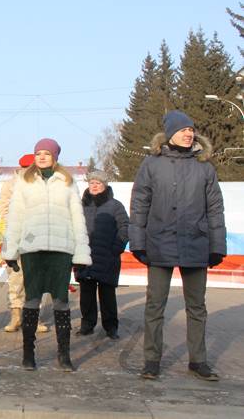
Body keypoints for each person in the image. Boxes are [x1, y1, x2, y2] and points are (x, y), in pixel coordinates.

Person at [130, 111, 226, 382]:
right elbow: (139, 204)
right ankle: (151, 361)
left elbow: (215, 208)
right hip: (159, 243)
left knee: (197, 307)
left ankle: (198, 361)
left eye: (191, 130)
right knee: (155, 306)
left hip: (196, 244)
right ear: (170, 133)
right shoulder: (151, 164)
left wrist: (216, 246)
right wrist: (138, 243)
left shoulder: (204, 166)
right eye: (183, 130)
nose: (189, 134)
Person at [2, 138, 91, 371]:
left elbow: (78, 219)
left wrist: (81, 253)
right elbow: (15, 218)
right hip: (33, 250)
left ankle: (64, 355)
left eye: (47, 153)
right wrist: (10, 250)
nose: (41, 157)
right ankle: (28, 354)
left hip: (61, 251)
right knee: (32, 300)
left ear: (55, 157)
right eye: (38, 153)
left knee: (60, 301)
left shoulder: (68, 182)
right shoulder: (24, 182)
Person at [75, 170, 129, 340]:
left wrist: (117, 248)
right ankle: (87, 325)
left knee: (107, 295)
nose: (94, 186)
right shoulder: (80, 206)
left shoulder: (115, 206)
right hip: (85, 257)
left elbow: (125, 227)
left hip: (108, 257)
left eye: (98, 183)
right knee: (86, 295)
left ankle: (111, 327)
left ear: (105, 185)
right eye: (92, 183)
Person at [0, 154, 48, 334]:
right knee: (15, 277)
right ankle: (16, 316)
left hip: (35, 237)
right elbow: (4, 209)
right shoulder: (9, 185)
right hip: (13, 236)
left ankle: (34, 318)